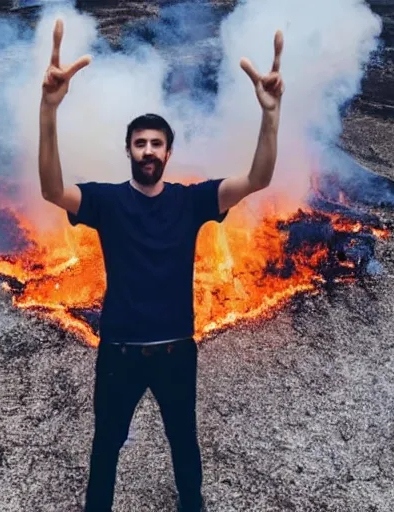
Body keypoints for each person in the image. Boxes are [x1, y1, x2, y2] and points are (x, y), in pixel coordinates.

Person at [39, 18, 284, 512]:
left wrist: (271, 115)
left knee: (184, 448)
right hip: (119, 353)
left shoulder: (192, 201)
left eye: (156, 143)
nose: (148, 150)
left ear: (169, 152)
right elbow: (50, 190)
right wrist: (48, 109)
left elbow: (257, 178)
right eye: (139, 143)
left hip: (177, 353)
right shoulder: (104, 201)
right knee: (105, 449)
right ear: (128, 150)